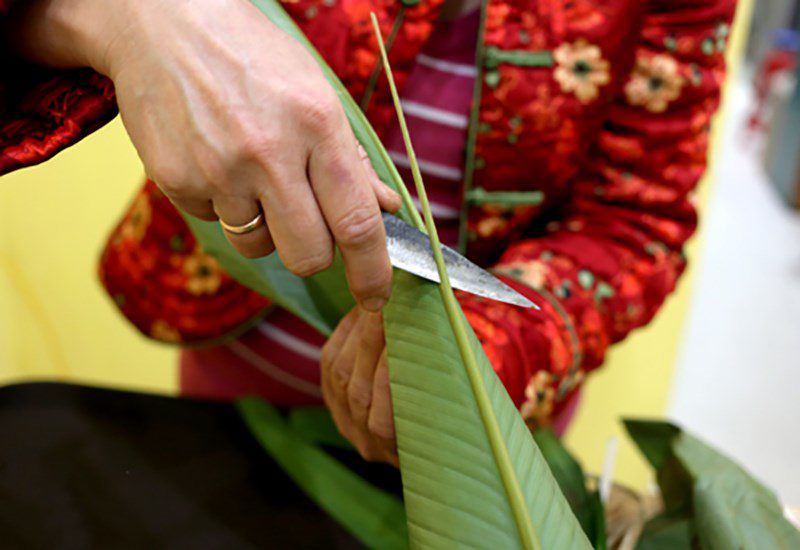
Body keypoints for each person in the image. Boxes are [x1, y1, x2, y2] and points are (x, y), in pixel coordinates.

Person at [1, 0, 737, 466]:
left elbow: (637, 223)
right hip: (231, 350)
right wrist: (133, 20)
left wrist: (505, 344)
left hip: (474, 431)